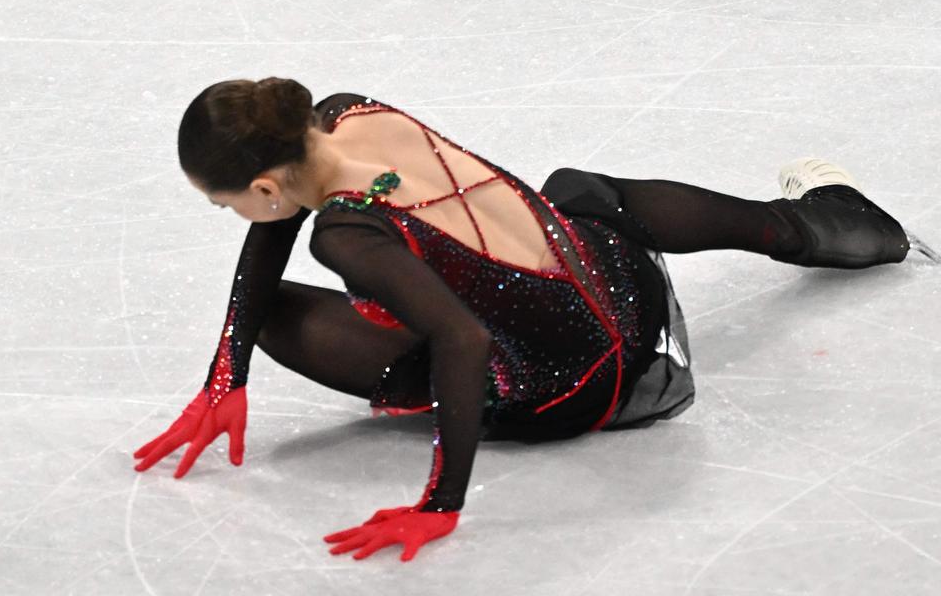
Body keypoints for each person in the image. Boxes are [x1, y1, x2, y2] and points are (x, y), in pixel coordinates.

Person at [131, 77, 930, 562]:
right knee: (577, 193)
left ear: (265, 187)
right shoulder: (348, 112)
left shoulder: (347, 231)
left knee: (311, 316)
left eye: (224, 201)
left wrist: (439, 505)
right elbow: (282, 219)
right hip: (631, 295)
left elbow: (465, 339)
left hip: (590, 391)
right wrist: (224, 378)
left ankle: (488, 436)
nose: (232, 215)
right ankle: (828, 224)